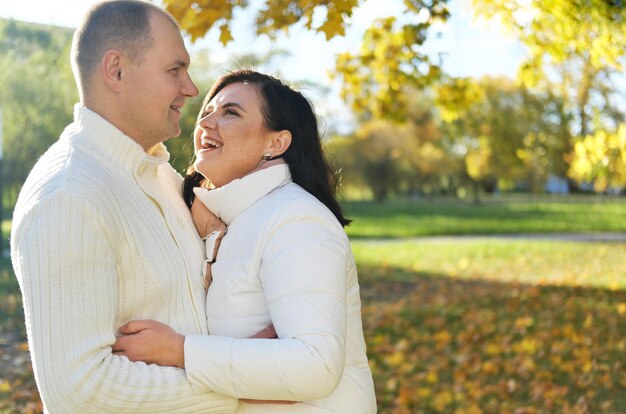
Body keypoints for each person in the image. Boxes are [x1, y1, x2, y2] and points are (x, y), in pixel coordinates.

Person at [10, 1, 238, 412]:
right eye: (175, 70)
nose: (190, 89)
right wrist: (246, 383)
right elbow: (81, 388)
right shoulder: (68, 196)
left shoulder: (162, 178)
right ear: (116, 70)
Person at [113, 70, 378, 413]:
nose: (206, 122)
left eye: (231, 113)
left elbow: (316, 366)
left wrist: (179, 351)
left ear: (276, 143)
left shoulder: (296, 219)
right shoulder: (234, 220)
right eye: (207, 111)